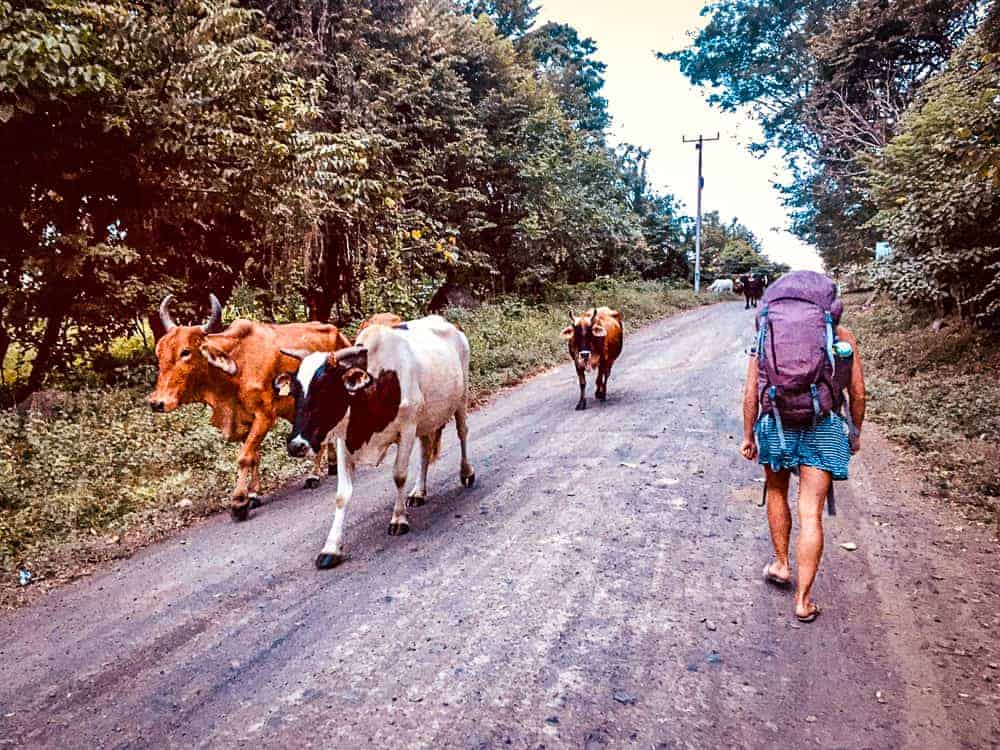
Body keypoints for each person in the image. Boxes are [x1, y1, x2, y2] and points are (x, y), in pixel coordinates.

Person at [740, 284, 866, 623]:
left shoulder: (767, 332)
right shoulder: (841, 334)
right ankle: (803, 601)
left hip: (776, 423)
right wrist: (854, 433)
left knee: (777, 491)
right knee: (811, 513)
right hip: (823, 426)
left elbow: (751, 389)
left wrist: (748, 434)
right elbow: (857, 392)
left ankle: (781, 564)